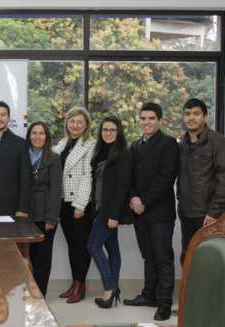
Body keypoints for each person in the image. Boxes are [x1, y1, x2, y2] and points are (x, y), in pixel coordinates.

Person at [123, 102, 179, 322]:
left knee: (163, 257)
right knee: (148, 256)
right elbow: (129, 177)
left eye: (151, 118)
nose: (147, 122)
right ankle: (149, 296)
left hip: (161, 213)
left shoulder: (168, 144)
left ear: (160, 120)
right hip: (140, 212)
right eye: (143, 118)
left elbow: (167, 177)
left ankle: (164, 302)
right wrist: (134, 198)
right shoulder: (135, 145)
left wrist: (144, 200)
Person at [86, 116, 133, 308]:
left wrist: (114, 215)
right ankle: (113, 289)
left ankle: (109, 288)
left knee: (93, 246)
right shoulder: (101, 152)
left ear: (119, 131)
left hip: (110, 210)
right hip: (99, 207)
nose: (108, 133)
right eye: (105, 129)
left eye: (112, 130)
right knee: (112, 248)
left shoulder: (123, 153)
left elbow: (122, 187)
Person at [52, 106, 96, 303]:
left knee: (81, 246)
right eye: (72, 121)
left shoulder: (91, 145)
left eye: (80, 121)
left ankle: (80, 285)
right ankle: (74, 282)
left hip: (79, 205)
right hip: (63, 203)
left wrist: (80, 205)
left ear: (86, 124)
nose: (75, 125)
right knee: (72, 246)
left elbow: (88, 177)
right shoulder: (62, 144)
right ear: (67, 124)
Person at [177, 98, 225, 264]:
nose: (191, 118)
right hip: (186, 212)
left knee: (208, 261)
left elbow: (224, 178)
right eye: (188, 114)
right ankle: (190, 291)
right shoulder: (181, 145)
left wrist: (214, 212)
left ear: (205, 117)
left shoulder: (218, 142)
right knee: (187, 256)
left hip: (208, 215)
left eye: (196, 114)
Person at [25, 121, 61, 297]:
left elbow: (56, 190)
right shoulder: (22, 155)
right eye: (34, 133)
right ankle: (26, 294)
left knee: (42, 260)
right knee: (25, 258)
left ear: (46, 137)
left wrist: (51, 219)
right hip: (24, 215)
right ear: (29, 136)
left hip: (44, 216)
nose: (37, 137)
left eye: (41, 133)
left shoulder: (53, 158)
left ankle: (40, 295)